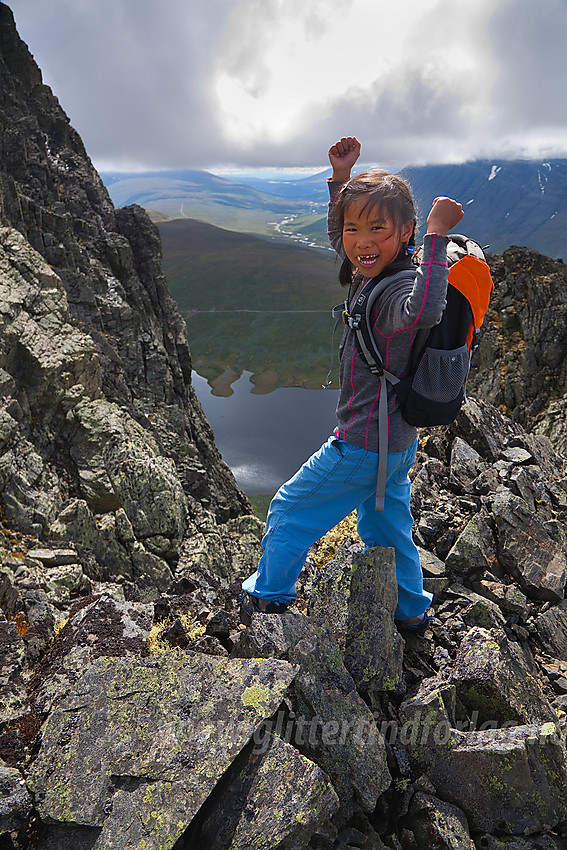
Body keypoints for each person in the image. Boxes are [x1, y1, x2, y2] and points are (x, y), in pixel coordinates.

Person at [240, 136, 464, 632]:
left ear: (404, 232)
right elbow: (343, 237)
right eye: (352, 228)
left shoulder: (399, 287)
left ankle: (268, 598)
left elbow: (426, 308)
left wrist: (435, 237)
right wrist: (341, 180)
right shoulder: (376, 271)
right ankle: (412, 610)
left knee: (289, 508)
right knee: (386, 527)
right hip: (395, 444)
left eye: (377, 229)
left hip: (362, 444)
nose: (361, 241)